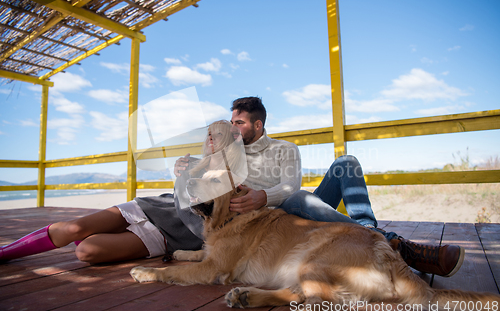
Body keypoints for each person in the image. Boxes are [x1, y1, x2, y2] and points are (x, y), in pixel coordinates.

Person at [177, 96, 464, 278]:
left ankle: (374, 235)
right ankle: (392, 244)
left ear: (258, 125)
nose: (232, 128)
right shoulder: (226, 153)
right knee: (300, 199)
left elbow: (290, 188)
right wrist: (183, 168)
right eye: (230, 123)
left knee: (344, 164)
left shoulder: (283, 149)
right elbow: (204, 180)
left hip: (289, 209)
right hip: (261, 228)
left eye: (238, 123)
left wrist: (262, 196)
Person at [0, 120, 238, 264]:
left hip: (169, 237)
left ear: (227, 140)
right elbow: (183, 202)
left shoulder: (234, 177)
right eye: (208, 133)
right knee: (74, 228)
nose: (209, 138)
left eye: (217, 134)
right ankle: (4, 253)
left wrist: (206, 238)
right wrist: (183, 177)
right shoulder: (190, 163)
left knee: (86, 251)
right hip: (151, 208)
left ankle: (98, 234)